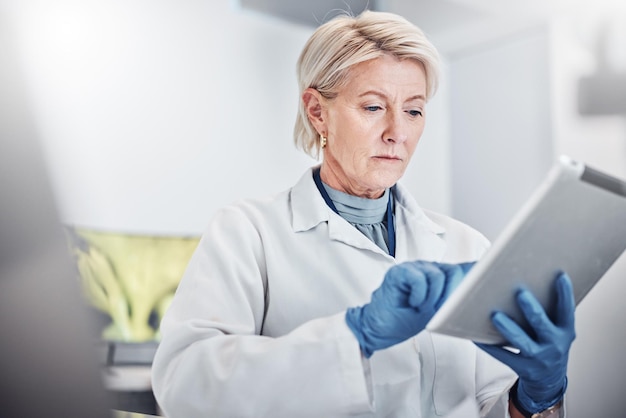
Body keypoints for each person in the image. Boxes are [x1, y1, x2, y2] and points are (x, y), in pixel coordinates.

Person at [151, 10, 575, 418]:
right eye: (374, 107)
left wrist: (536, 397)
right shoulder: (249, 233)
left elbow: (488, 405)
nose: (398, 132)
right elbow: (184, 386)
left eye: (413, 109)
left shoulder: (466, 245)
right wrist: (355, 333)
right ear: (318, 112)